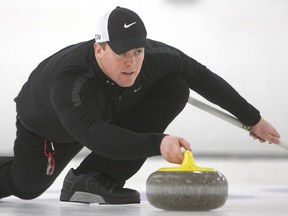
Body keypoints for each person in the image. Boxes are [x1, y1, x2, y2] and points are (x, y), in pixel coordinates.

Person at [0, 6, 281, 204]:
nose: (132, 62)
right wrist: (157, 143)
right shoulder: (71, 81)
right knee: (27, 187)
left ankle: (93, 178)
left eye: (138, 51)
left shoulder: (155, 57)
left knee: (175, 86)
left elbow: (201, 76)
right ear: (100, 49)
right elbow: (93, 134)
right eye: (122, 52)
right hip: (50, 130)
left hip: (104, 115)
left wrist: (252, 119)